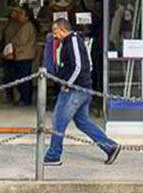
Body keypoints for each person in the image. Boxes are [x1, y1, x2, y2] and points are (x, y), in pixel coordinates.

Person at [43, 19, 120, 167]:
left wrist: (67, 83)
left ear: (62, 29)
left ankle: (53, 155)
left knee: (59, 121)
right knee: (83, 122)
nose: (54, 36)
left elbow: (78, 66)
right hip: (82, 89)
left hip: (75, 90)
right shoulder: (71, 41)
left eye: (55, 32)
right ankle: (110, 147)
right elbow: (86, 65)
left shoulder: (72, 41)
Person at [1, 5, 36, 106]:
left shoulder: (27, 26)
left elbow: (22, 40)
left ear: (27, 17)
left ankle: (25, 99)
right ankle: (23, 98)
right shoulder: (22, 25)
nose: (19, 16)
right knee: (20, 77)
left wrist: (13, 41)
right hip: (21, 55)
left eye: (21, 14)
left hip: (23, 55)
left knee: (23, 78)